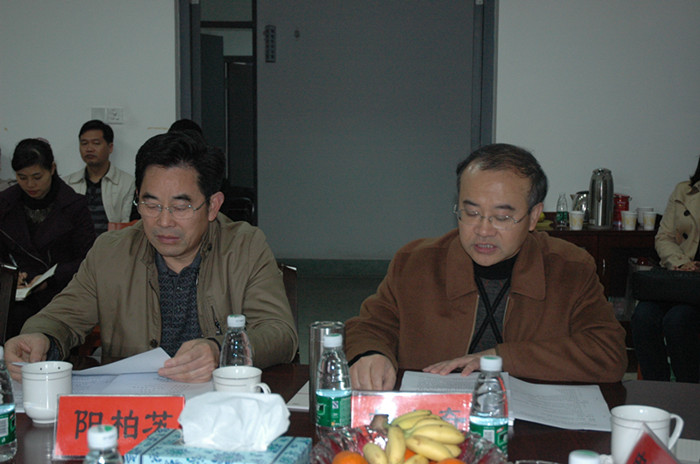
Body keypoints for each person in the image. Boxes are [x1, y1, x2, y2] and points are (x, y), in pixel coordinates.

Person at [4, 132, 298, 383]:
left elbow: (280, 333)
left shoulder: (244, 246)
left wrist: (220, 350)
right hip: (134, 408)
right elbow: (61, 319)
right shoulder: (111, 252)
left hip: (216, 406)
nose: (164, 222)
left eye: (180, 207)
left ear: (212, 206)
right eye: (151, 204)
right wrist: (41, 337)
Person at [345, 143, 628, 390]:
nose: (483, 230)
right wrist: (370, 353)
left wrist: (501, 359)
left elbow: (608, 354)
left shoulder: (570, 269)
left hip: (528, 422)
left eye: (502, 218)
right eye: (471, 213)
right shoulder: (416, 263)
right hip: (432, 420)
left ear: (533, 216)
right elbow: (370, 326)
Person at [0, 138, 96, 339]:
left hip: (61, 291)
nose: (30, 184)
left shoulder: (74, 206)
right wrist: (11, 276)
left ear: (52, 169)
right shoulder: (6, 203)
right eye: (22, 177)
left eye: (37, 177)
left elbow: (88, 259)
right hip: (17, 294)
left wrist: (51, 277)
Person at [632, 157, 700, 383]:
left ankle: (689, 390)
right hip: (678, 279)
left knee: (677, 320)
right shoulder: (684, 191)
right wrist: (681, 263)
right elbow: (664, 237)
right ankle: (656, 389)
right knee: (643, 316)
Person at [63, 120, 136, 234]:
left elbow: (126, 224)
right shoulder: (68, 183)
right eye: (84, 143)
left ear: (110, 147)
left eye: (96, 143)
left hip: (111, 243)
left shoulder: (127, 182)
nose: (89, 149)